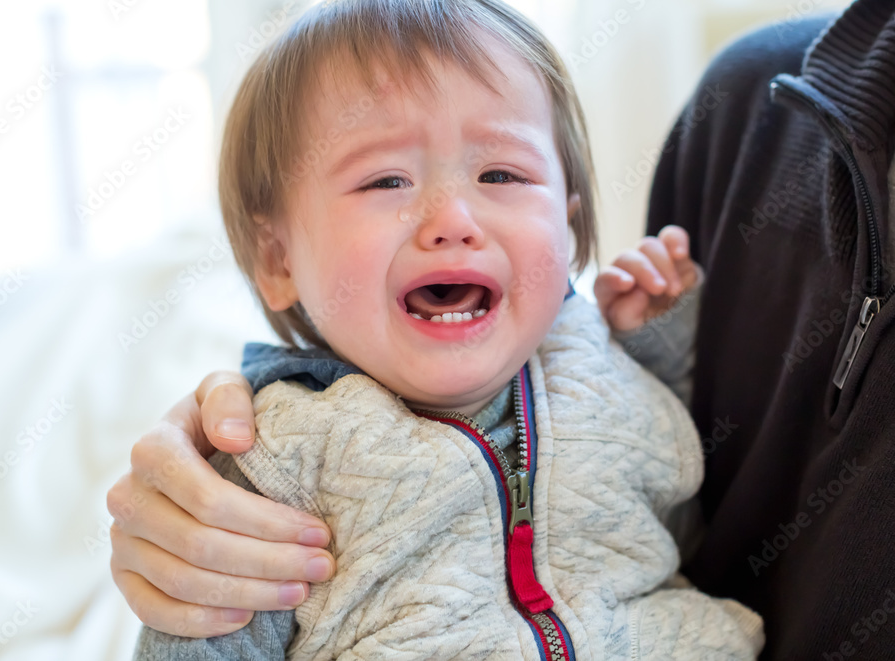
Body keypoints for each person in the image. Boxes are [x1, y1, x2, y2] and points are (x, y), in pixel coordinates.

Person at [112, 0, 895, 658]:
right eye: (386, 180)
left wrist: (657, 348)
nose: (452, 219)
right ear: (278, 257)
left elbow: (687, 517)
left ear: (566, 225)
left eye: (501, 175)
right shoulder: (275, 459)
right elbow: (198, 622)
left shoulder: (608, 374)